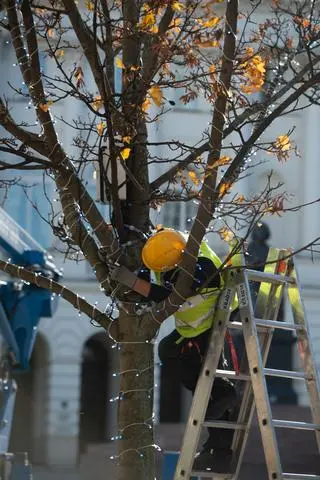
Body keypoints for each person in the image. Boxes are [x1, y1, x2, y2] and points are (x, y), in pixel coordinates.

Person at [111, 228, 239, 472]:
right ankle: (219, 450)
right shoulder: (167, 255)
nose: (164, 273)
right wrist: (134, 274)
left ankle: (225, 405)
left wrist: (134, 282)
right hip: (191, 329)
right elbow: (153, 281)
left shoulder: (202, 266)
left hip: (206, 327)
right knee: (174, 356)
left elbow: (174, 295)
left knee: (209, 387)